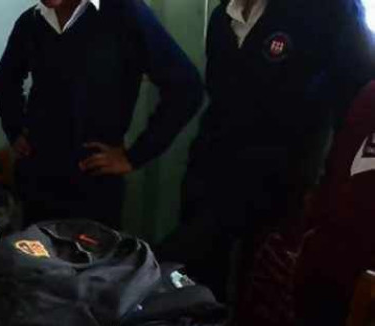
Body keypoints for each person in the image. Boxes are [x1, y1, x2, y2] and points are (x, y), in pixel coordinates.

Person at [158, 0, 374, 301]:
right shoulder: (223, 16)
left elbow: (360, 103)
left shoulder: (329, 10)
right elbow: (220, 100)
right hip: (213, 177)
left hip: (285, 191)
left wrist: (326, 190)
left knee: (264, 300)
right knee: (191, 288)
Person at [0, 0, 203, 228]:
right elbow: (5, 80)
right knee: (36, 259)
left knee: (93, 259)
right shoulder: (31, 21)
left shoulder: (125, 13)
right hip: (37, 176)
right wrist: (14, 128)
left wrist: (135, 156)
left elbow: (186, 88)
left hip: (93, 180)